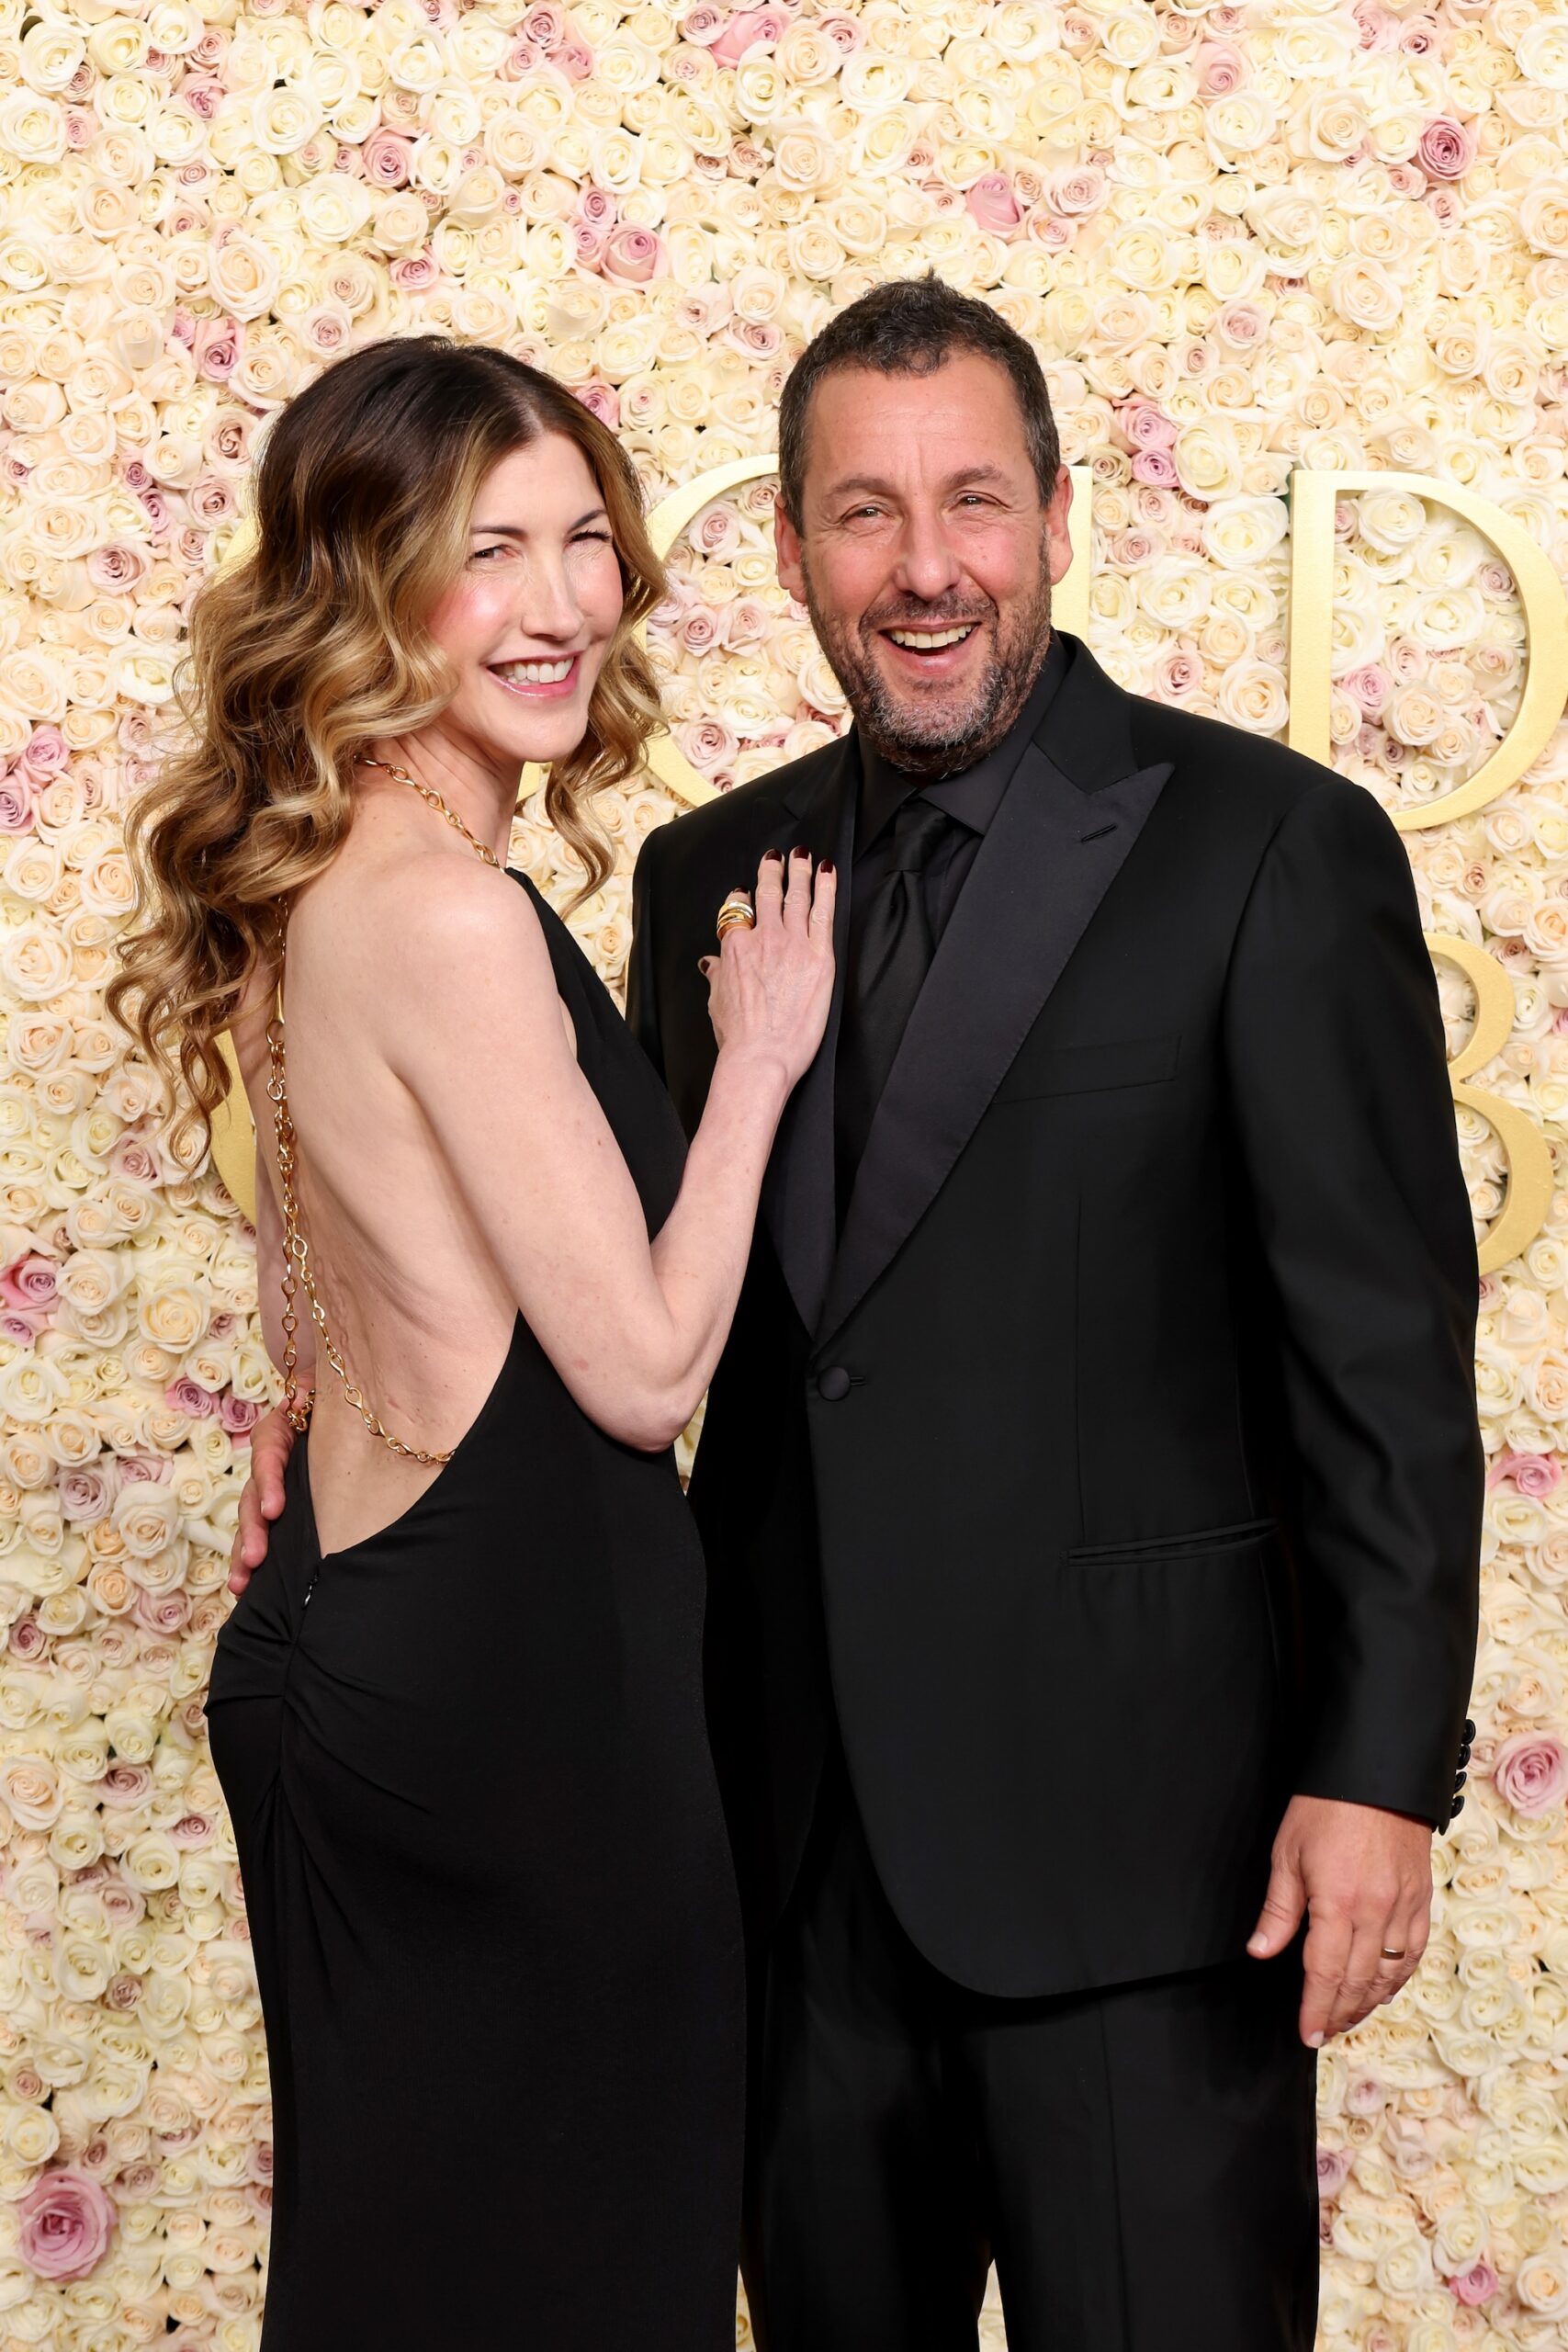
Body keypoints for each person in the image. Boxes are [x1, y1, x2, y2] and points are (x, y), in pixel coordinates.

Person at [235, 281, 1483, 2351]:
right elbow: (616, 1293)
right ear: (792, 547)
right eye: (862, 513)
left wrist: (1376, 1773)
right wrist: (337, 1403)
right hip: (772, 1854)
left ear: (1060, 519)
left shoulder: (1270, 847)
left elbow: (1377, 1357)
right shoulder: (698, 875)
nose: (923, 567)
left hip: (1140, 1876)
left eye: (972, 503)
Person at [112, 335, 835, 2349]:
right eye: (482, 550)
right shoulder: (440, 909)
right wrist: (760, 1058)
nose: (557, 602)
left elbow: (332, 1306)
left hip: (362, 1641)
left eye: (582, 539)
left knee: (407, 2265)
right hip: (520, 1691)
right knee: (588, 2269)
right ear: (365, 588)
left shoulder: (312, 882)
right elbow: (640, 1368)